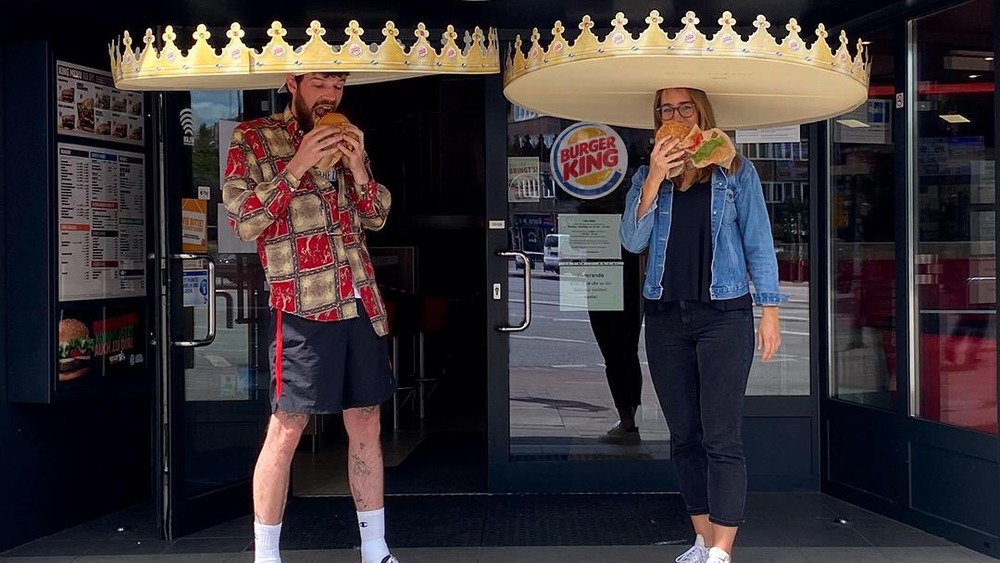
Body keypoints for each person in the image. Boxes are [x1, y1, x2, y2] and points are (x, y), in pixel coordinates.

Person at [223, 71, 399, 563]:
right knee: (288, 425)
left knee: (366, 419)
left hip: (358, 297)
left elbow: (376, 215)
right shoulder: (254, 137)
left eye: (338, 85)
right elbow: (242, 222)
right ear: (292, 83)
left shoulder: (347, 138)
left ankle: (375, 548)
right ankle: (266, 554)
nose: (330, 95)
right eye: (320, 83)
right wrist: (297, 165)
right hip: (302, 301)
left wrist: (359, 165)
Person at [619, 87, 785, 563]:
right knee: (684, 434)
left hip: (723, 315)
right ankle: (701, 539)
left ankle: (722, 552)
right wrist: (652, 178)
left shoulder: (734, 169)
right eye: (665, 110)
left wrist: (768, 309)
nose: (674, 115)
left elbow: (758, 240)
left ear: (701, 113)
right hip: (666, 316)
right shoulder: (646, 176)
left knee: (721, 435)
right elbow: (632, 241)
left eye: (683, 107)